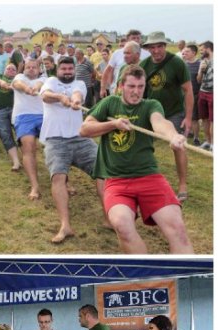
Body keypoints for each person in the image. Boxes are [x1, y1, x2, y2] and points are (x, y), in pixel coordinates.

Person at [79, 65, 194, 253]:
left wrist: (173, 135)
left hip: (149, 178)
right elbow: (84, 129)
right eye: (131, 86)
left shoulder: (150, 105)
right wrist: (113, 124)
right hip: (117, 181)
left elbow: (159, 123)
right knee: (122, 226)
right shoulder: (109, 103)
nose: (136, 91)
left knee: (178, 229)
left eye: (141, 86)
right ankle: (145, 273)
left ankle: (181, 275)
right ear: (121, 86)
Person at [40, 56, 104, 244]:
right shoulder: (50, 81)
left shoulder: (80, 83)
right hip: (55, 139)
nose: (67, 72)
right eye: (64, 69)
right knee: (58, 177)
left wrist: (75, 100)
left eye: (70, 69)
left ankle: (110, 218)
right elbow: (45, 96)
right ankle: (65, 225)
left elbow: (78, 94)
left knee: (104, 171)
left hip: (80, 138)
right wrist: (60, 97)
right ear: (58, 70)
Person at [140, 31, 194, 201]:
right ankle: (142, 180)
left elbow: (188, 90)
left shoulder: (177, 63)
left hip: (174, 112)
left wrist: (188, 118)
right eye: (152, 47)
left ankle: (183, 184)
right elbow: (139, 89)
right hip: (151, 112)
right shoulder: (144, 65)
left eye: (159, 46)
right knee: (141, 144)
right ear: (148, 48)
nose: (156, 51)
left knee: (177, 145)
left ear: (164, 46)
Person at [12, 59, 46, 200]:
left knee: (55, 148)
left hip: (45, 116)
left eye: (34, 67)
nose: (31, 69)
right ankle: (35, 186)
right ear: (23, 68)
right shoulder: (19, 77)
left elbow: (40, 83)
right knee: (28, 147)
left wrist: (36, 88)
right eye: (28, 67)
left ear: (39, 69)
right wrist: (27, 89)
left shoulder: (46, 78)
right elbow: (18, 84)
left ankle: (65, 182)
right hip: (23, 116)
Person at [0, 64, 21, 171]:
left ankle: (27, 158)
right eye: (8, 68)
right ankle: (16, 161)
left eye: (13, 69)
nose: (10, 70)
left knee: (21, 134)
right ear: (4, 70)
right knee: (4, 134)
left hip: (16, 109)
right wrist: (2, 82)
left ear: (16, 72)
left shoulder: (18, 80)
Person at [196, 41, 212, 151]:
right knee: (204, 118)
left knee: (213, 120)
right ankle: (207, 141)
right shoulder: (202, 61)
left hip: (213, 93)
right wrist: (201, 71)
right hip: (203, 92)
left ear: (208, 49)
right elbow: (198, 80)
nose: (200, 52)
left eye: (202, 50)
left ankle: (214, 144)